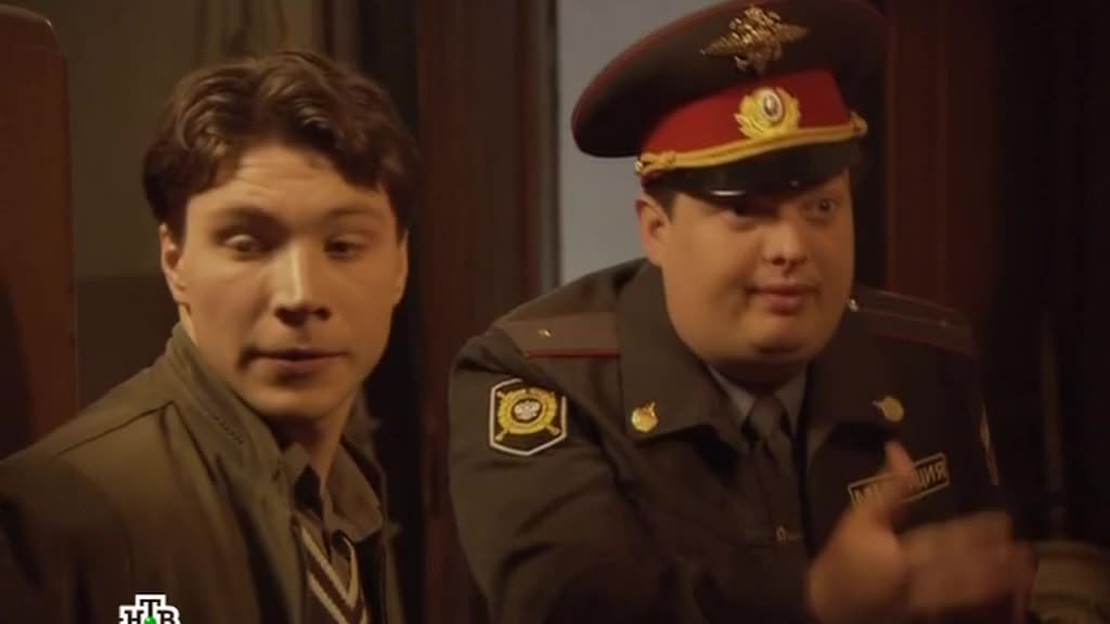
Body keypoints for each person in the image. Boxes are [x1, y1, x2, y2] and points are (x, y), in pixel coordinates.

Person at [447, 1, 1036, 622]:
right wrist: (815, 605)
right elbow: (576, 608)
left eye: (821, 209)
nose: (791, 248)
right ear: (656, 230)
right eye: (745, 212)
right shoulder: (538, 379)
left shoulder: (925, 359)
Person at [0, 50, 413, 624]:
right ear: (175, 261)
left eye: (343, 246)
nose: (300, 294)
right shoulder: (64, 513)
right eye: (248, 245)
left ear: (400, 264)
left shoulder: (347, 490)